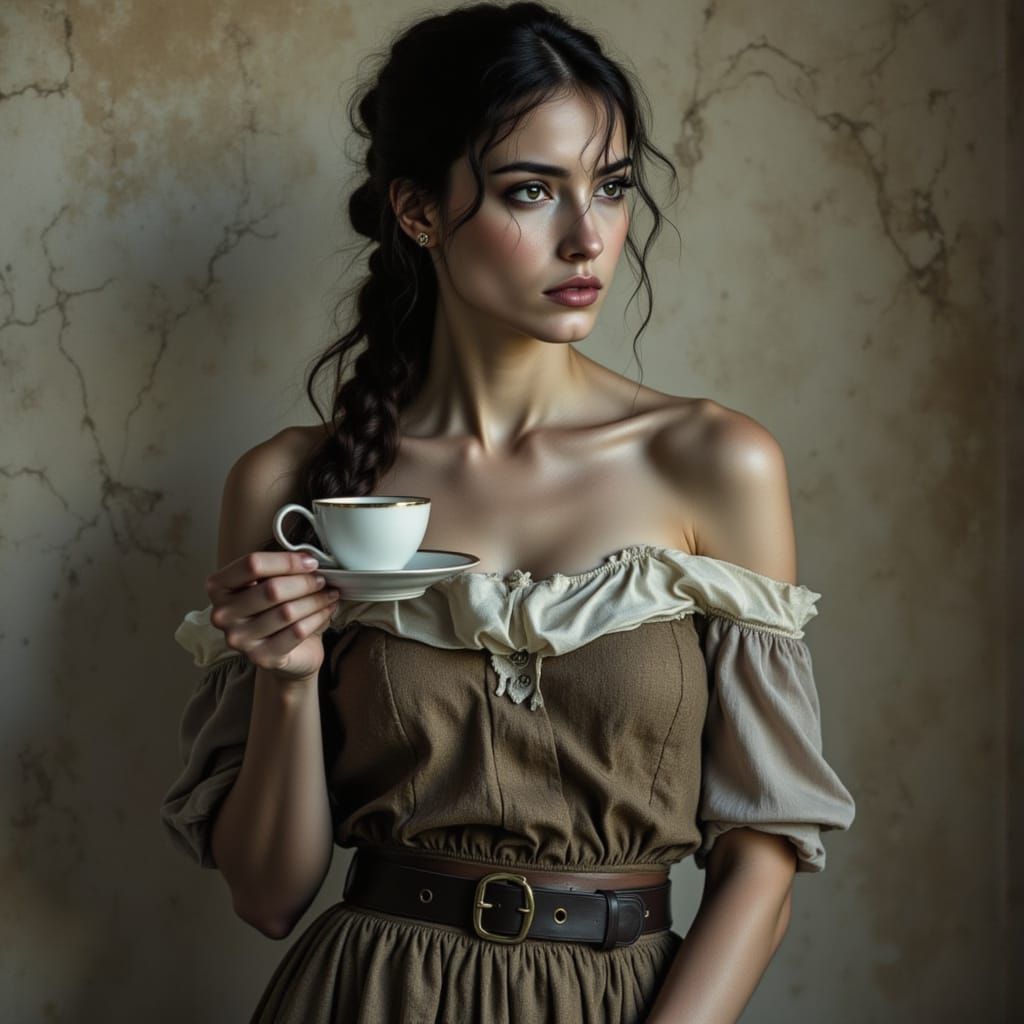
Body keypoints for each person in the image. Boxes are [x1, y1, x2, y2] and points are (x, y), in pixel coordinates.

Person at [160, 3, 856, 1021]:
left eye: (610, 187)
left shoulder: (715, 463)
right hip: (365, 996)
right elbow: (268, 898)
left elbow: (763, 860)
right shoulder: (287, 487)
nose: (588, 236)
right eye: (531, 191)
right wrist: (290, 680)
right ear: (418, 211)